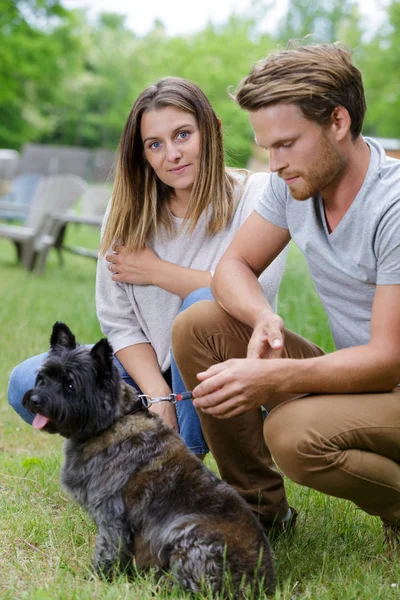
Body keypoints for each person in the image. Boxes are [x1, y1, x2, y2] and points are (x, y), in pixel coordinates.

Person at [172, 43, 400, 544]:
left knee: (294, 433)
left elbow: (388, 360)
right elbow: (231, 266)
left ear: (337, 121)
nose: (273, 163)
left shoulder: (394, 205)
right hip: (366, 381)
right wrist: (261, 318)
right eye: (267, 147)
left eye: (286, 144)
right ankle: (259, 516)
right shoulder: (294, 181)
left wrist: (271, 377)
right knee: (201, 325)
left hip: (391, 379)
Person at [8, 77, 288, 463]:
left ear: (211, 130)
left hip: (228, 367)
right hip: (149, 373)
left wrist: (155, 270)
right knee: (25, 381)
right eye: (155, 144)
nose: (171, 154)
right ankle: (129, 454)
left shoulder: (258, 194)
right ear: (143, 155)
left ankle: (181, 465)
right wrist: (159, 395)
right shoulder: (127, 211)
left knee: (204, 302)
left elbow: (253, 290)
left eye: (183, 135)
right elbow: (119, 320)